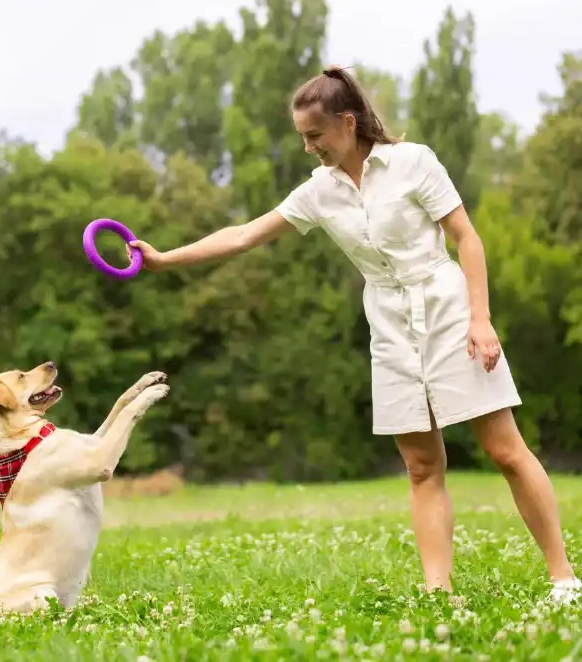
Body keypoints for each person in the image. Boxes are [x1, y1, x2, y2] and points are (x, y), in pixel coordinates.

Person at [128, 64, 580, 603]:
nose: (308, 147)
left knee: (505, 451)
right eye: (302, 137)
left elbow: (466, 237)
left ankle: (564, 579)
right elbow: (246, 234)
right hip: (388, 325)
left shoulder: (414, 162)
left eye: (314, 135)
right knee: (420, 465)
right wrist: (163, 259)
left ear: (347, 122)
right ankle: (438, 592)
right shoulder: (320, 192)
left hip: (446, 309)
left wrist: (480, 319)